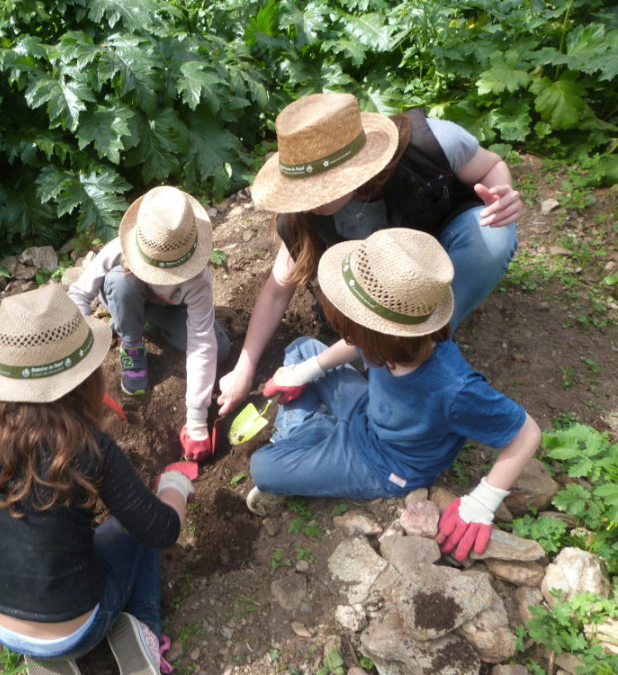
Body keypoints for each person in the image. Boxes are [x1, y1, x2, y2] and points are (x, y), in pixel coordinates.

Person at [243, 229, 540, 562]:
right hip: (369, 410)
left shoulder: (453, 389)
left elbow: (526, 433)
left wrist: (483, 501)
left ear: (371, 333)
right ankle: (317, 433)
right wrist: (304, 372)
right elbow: (356, 342)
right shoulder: (394, 337)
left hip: (384, 463)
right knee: (302, 350)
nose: (346, 332)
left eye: (351, 326)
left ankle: (312, 433)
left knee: (264, 468)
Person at [218, 92, 522, 417]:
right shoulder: (301, 217)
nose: (312, 201)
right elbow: (278, 291)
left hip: (439, 249)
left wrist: (501, 195)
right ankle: (394, 343)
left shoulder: (428, 146)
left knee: (492, 235)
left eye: (323, 187)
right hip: (383, 291)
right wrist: (244, 368)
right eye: (302, 191)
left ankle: (424, 339)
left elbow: (491, 165)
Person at [0, 285, 193, 675]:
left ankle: (49, 661)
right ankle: (144, 633)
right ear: (84, 379)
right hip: (77, 623)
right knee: (134, 534)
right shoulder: (88, 447)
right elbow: (162, 531)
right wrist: (173, 489)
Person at [69, 185, 230, 462]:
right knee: (119, 282)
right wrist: (79, 353)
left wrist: (196, 420)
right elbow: (80, 293)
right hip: (128, 297)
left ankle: (147, 325)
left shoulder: (198, 279)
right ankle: (132, 344)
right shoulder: (120, 250)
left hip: (170, 311)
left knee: (222, 351)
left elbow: (203, 343)